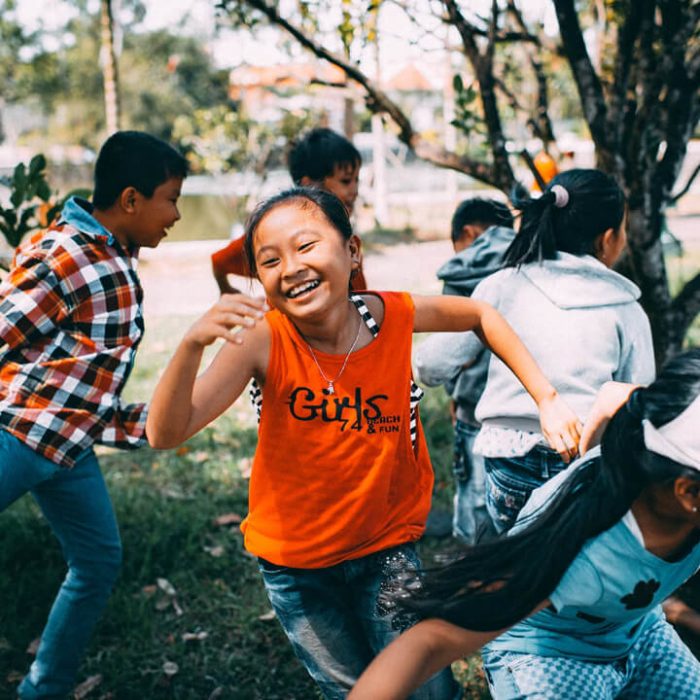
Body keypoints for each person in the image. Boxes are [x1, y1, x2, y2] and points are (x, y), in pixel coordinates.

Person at [146, 187, 581, 699]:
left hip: (385, 549)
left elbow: (481, 316)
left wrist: (547, 397)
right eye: (270, 260)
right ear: (259, 277)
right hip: (297, 569)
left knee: (427, 687)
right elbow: (165, 433)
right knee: (353, 690)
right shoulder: (264, 339)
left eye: (306, 246)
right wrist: (192, 345)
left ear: (352, 252)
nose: (291, 267)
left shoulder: (391, 316)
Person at [349, 349, 700, 700]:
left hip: (634, 631)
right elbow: (431, 641)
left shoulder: (648, 421)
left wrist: (590, 453)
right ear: (689, 494)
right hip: (547, 654)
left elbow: (616, 395)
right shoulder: (576, 552)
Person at [0, 131, 187, 698]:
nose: (176, 214)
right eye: (171, 198)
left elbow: (82, 379)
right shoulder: (66, 254)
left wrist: (148, 423)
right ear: (131, 200)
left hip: (67, 451)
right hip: (18, 439)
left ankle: (44, 688)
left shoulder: (113, 255)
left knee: (98, 560)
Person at [415, 169, 655, 534]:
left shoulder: (500, 287)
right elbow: (637, 397)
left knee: (512, 563)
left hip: (507, 462)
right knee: (562, 569)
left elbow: (430, 365)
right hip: (582, 464)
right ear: (608, 239)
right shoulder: (626, 308)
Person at [420, 198, 515, 544]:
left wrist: (453, 394)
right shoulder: (531, 260)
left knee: (474, 501)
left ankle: (468, 563)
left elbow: (448, 354)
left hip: (474, 407)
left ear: (468, 233)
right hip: (526, 410)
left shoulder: (464, 272)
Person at [211, 127, 365, 295]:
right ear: (310, 185)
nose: (354, 190)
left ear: (351, 249)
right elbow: (220, 261)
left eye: (357, 180)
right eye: (346, 181)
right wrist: (226, 290)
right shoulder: (276, 232)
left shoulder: (343, 234)